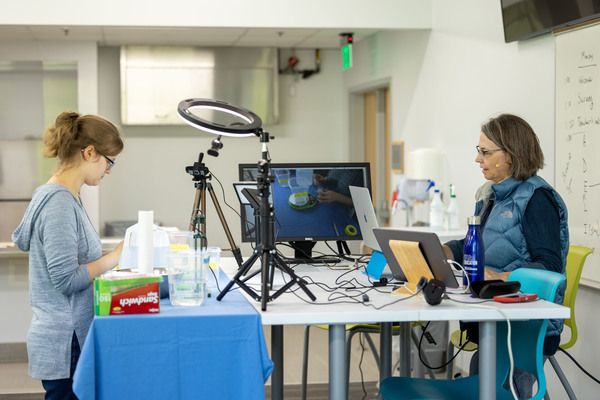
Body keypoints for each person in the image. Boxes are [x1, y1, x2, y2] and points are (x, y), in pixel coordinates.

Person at [443, 113, 569, 397]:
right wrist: (442, 250)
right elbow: (475, 244)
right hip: (497, 317)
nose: (478, 159)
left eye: (485, 152)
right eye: (479, 151)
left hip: (526, 327)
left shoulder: (537, 198)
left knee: (496, 387)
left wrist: (500, 276)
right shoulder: (493, 195)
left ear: (511, 155)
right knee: (480, 378)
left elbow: (549, 266)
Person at [12, 111, 125, 400]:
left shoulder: (66, 195)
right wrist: (115, 256)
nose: (109, 170)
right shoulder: (58, 203)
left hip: (70, 337)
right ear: (90, 152)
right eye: (109, 161)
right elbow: (66, 280)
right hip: (66, 342)